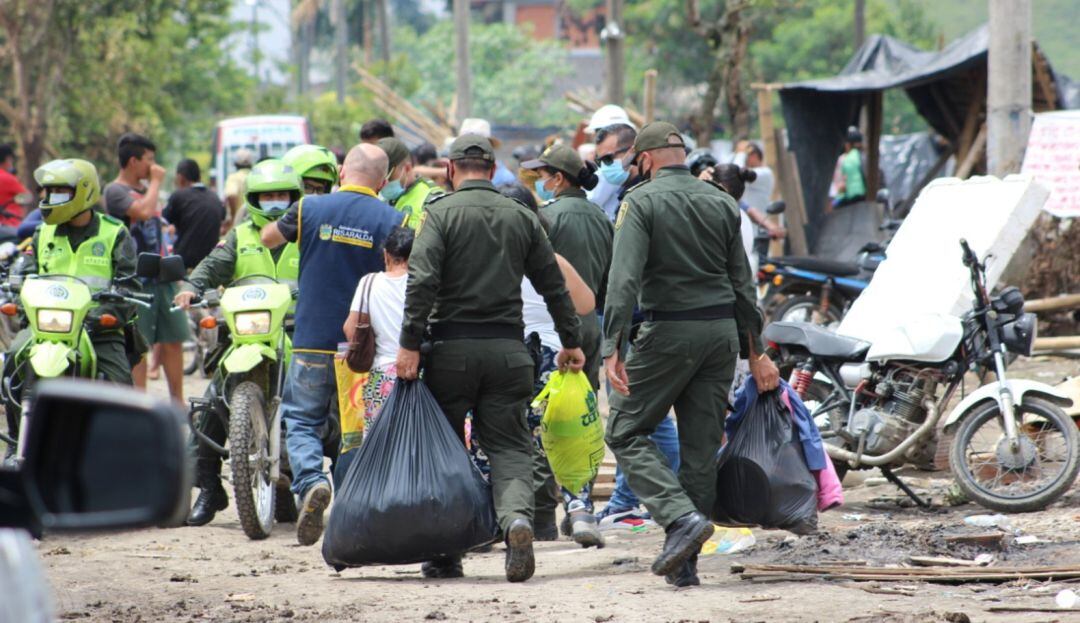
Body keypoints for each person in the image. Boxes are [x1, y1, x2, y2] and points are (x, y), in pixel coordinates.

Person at [394, 134, 585, 583]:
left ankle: (445, 553)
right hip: (508, 353)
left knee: (444, 449)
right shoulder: (521, 216)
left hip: (450, 353)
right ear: (493, 167)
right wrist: (572, 341)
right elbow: (553, 286)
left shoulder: (438, 215)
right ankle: (516, 520)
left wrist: (408, 344)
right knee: (510, 447)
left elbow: (421, 283)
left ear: (450, 169)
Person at [602, 122, 779, 588]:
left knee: (623, 429)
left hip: (668, 333)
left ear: (647, 159)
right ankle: (686, 565)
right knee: (700, 452)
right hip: (721, 335)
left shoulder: (640, 201)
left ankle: (679, 519)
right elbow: (745, 286)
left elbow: (622, 281)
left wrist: (611, 346)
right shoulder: (723, 202)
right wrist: (756, 351)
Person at [260, 143, 404, 547]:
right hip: (361, 347)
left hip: (310, 339)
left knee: (301, 420)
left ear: (342, 171)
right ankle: (347, 509)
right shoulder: (394, 218)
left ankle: (309, 483)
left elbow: (269, 237)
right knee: (351, 431)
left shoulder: (309, 209)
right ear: (385, 180)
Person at [174, 159, 303, 527]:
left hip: (296, 331)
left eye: (283, 195)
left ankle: (304, 484)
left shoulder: (307, 233)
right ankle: (210, 488)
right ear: (254, 199)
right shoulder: (241, 235)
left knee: (319, 403)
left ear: (295, 198)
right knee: (214, 401)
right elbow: (212, 266)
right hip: (248, 335)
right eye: (268, 196)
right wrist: (190, 287)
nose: (276, 202)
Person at [497, 180, 605, 548]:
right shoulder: (552, 260)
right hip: (555, 358)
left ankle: (513, 517)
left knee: (509, 441)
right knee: (562, 436)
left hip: (507, 354)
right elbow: (587, 304)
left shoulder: (492, 260)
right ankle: (579, 510)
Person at [7, 159, 140, 386]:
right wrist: (21, 303)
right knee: (14, 358)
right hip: (46, 328)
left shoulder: (114, 232)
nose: (52, 198)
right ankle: (18, 410)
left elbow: (130, 285)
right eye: (49, 192)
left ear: (84, 192)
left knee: (120, 383)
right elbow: (25, 276)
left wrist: (105, 315)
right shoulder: (43, 233)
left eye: (61, 191)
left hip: (98, 329)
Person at [104, 133, 188, 404]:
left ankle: (178, 402)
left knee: (173, 340)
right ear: (133, 161)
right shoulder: (115, 191)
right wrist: (155, 181)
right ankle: (138, 405)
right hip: (134, 281)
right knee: (139, 347)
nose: (154, 167)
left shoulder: (147, 189)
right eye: (149, 160)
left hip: (161, 277)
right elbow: (142, 212)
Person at [340, 225, 413, 457]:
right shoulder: (425, 282)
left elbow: (350, 329)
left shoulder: (369, 283)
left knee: (382, 451)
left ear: (386, 255)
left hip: (382, 378)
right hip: (420, 374)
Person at [163, 159, 226, 270]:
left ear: (180, 177)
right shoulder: (215, 197)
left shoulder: (179, 196)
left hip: (185, 265)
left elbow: (165, 220)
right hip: (211, 264)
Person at [376, 137, 443, 229]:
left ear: (407, 169)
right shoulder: (376, 197)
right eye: (379, 177)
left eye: (388, 178)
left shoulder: (431, 199)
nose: (382, 184)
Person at [589, 123, 640, 221]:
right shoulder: (622, 191)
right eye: (600, 161)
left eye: (608, 158)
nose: (604, 166)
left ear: (632, 152)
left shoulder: (644, 194)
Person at [458, 118, 516, 186]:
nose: (473, 151)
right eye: (467, 144)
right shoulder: (453, 173)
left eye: (478, 145)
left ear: (489, 146)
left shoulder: (505, 179)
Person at [833, 126, 866, 207]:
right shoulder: (863, 156)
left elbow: (841, 186)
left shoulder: (844, 159)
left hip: (849, 197)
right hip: (863, 196)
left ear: (848, 144)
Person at [223, 147, 255, 228]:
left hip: (240, 223)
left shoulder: (234, 178)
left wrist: (234, 215)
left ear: (235, 164)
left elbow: (231, 195)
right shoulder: (255, 177)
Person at [0, 144, 30, 228]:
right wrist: (16, 199)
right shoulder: (7, 178)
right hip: (11, 224)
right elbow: (28, 197)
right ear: (8, 159)